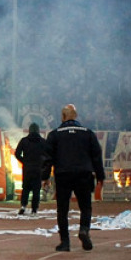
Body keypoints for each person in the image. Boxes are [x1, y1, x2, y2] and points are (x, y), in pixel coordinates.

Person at [44, 104, 103, 252]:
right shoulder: (88, 133)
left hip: (63, 174)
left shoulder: (55, 134)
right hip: (84, 173)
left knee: (62, 210)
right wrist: (100, 176)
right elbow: (96, 156)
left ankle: (65, 242)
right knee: (85, 207)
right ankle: (84, 229)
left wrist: (44, 177)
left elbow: (47, 157)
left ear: (63, 117)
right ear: (76, 116)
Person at [14, 123, 49, 215]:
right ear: (38, 130)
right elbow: (48, 155)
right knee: (36, 190)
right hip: (38, 169)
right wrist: (43, 164)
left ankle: (23, 206)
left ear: (29, 130)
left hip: (27, 168)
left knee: (25, 188)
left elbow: (17, 154)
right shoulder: (43, 141)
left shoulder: (24, 140)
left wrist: (24, 161)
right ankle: (34, 209)